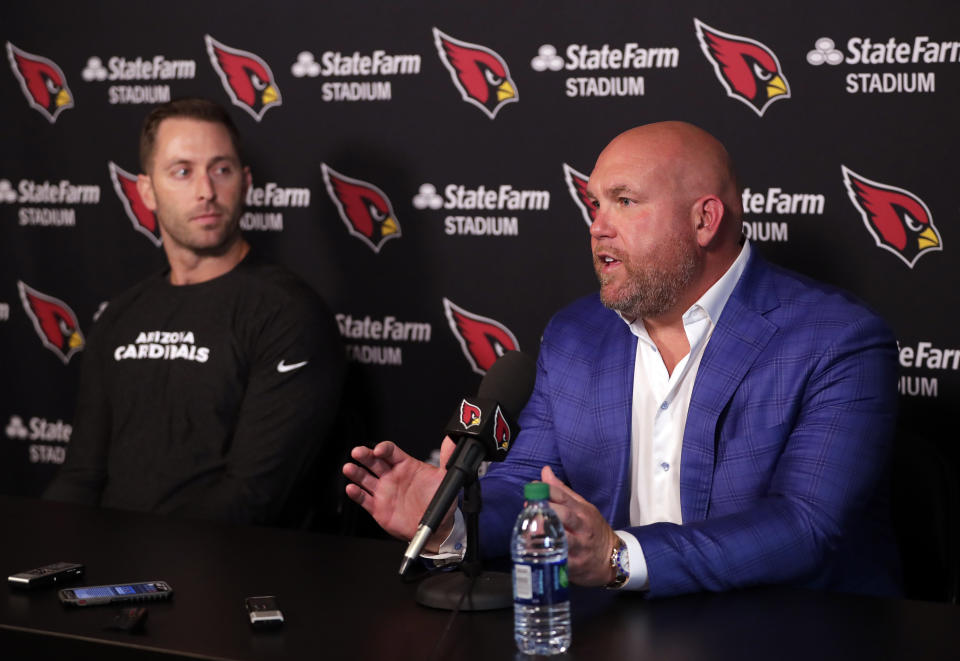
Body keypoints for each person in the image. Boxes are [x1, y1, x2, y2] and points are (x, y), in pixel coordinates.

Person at [343, 121, 900, 597]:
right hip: (614, 634)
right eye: (595, 204)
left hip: (786, 635)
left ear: (704, 221)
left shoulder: (837, 340)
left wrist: (619, 556)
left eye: (624, 202)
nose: (597, 226)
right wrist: (452, 515)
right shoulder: (576, 334)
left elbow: (805, 525)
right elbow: (525, 486)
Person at [45, 98, 345, 526]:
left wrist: (137, 571)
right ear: (146, 190)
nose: (206, 190)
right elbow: (81, 474)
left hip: (221, 573)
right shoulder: (121, 315)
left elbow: (253, 495)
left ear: (245, 182)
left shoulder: (287, 315)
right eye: (182, 171)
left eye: (221, 169)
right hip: (110, 571)